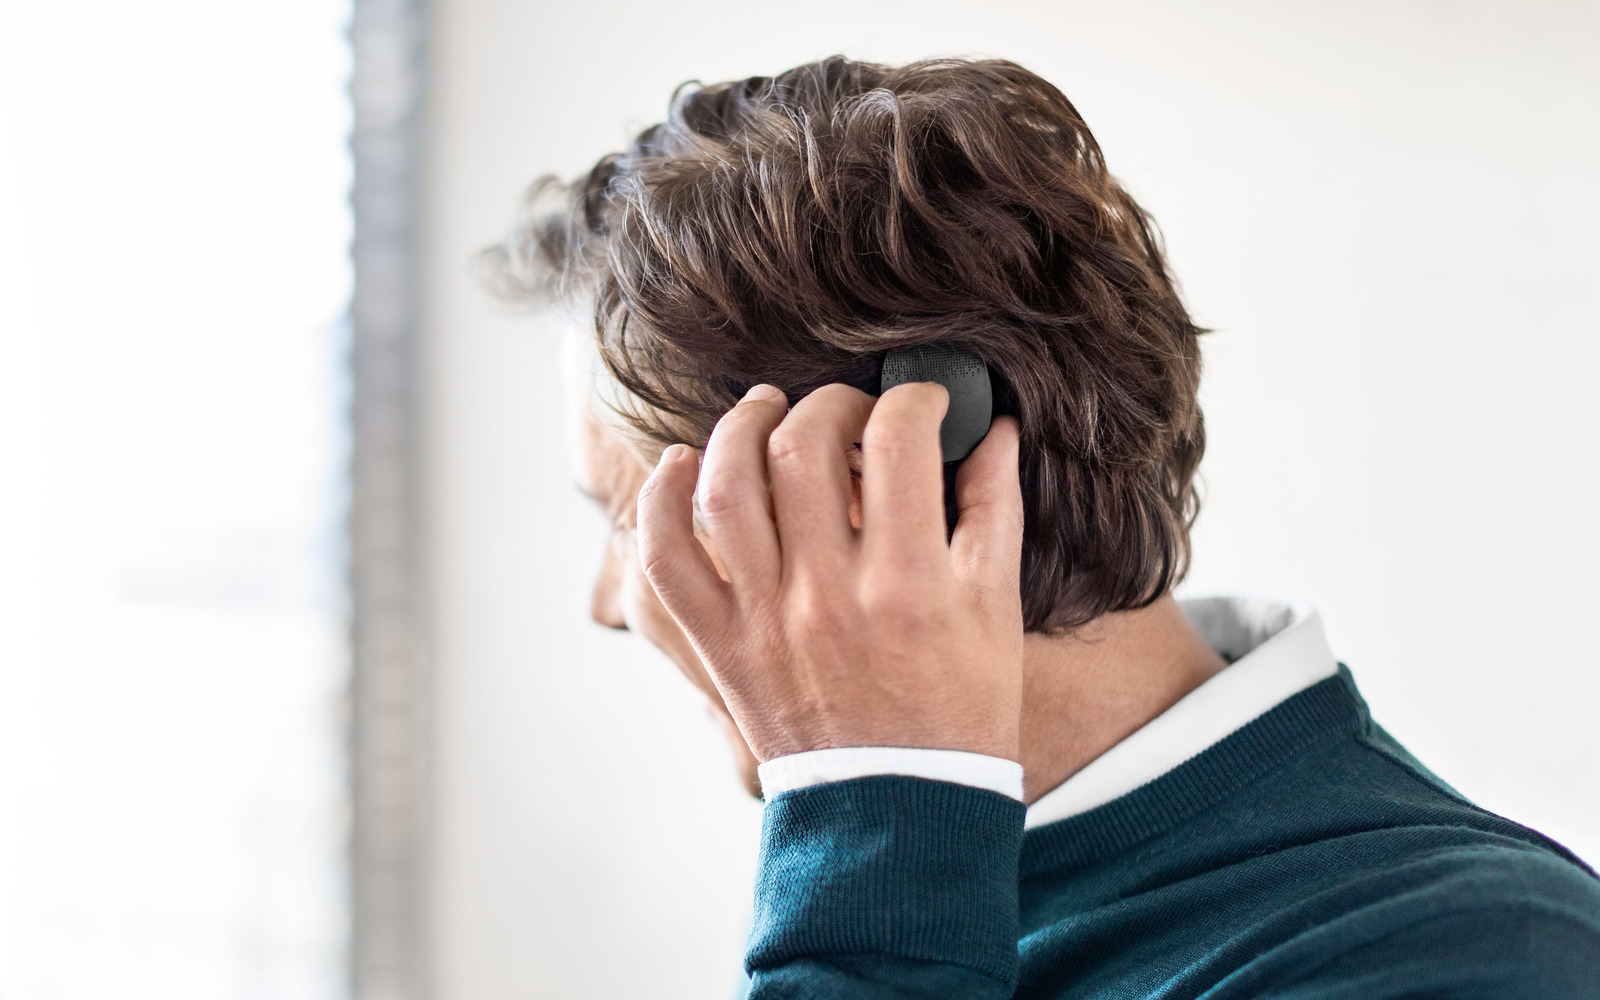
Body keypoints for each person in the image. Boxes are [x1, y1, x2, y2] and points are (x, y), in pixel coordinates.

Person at [487, 56, 1600, 997]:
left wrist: (873, 817)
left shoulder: (1465, 957)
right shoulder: (930, 890)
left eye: (628, 520)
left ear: (891, 483)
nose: (613, 603)